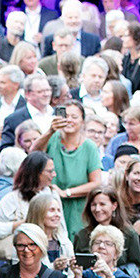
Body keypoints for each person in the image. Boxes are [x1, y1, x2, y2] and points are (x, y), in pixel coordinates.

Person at [32, 99, 102, 237]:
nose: (69, 120)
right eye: (66, 116)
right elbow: (33, 154)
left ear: (82, 121)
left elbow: (96, 182)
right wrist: (50, 131)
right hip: (49, 204)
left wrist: (66, 192)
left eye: (74, 117)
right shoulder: (53, 139)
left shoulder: (89, 147)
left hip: (78, 208)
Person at [74, 185, 140, 271]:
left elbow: (136, 267)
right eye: (94, 205)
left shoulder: (129, 234)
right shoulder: (82, 236)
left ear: (114, 206)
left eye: (102, 204)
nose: (97, 209)